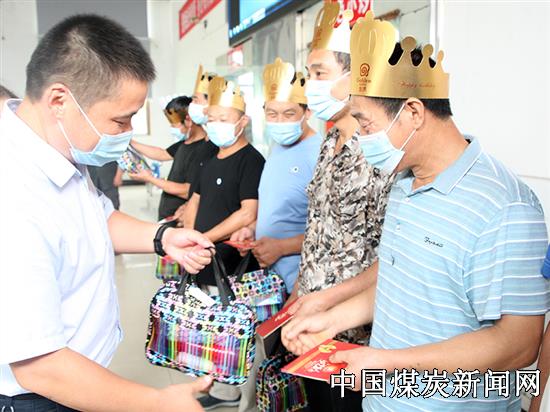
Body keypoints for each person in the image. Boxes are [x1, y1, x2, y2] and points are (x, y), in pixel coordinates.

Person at [283, 11, 549, 411]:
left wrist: (387, 364)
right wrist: (333, 319)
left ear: (412, 112)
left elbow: (518, 344)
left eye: (366, 124)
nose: (363, 139)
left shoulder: (505, 207)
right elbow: (400, 281)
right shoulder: (406, 181)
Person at [0, 14, 214, 412]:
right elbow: (39, 366)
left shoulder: (55, 146)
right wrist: (156, 403)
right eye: (120, 120)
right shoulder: (13, 198)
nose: (128, 132)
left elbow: (97, 218)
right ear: (60, 101)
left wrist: (161, 237)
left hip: (82, 375)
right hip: (42, 395)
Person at [282, 4, 393, 411]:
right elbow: (319, 230)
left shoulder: (381, 152)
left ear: (353, 76)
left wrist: (331, 301)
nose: (308, 86)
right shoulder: (329, 142)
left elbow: (392, 255)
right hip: (311, 323)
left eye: (319, 73)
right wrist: (298, 295)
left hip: (357, 334)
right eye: (308, 74)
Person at [226, 58, 322, 412]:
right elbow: (278, 205)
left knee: (301, 371)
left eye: (289, 113)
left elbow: (331, 232)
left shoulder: (319, 153)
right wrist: (252, 228)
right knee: (272, 365)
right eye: (272, 113)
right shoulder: (278, 148)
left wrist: (282, 246)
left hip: (301, 281)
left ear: (306, 112)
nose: (280, 122)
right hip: (271, 279)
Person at [183, 76, 265, 410]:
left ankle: (242, 395)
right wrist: (189, 239)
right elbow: (194, 202)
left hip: (232, 266)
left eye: (224, 119)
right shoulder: (208, 159)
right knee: (209, 331)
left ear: (242, 122)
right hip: (201, 260)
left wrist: (204, 239)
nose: (216, 125)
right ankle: (220, 390)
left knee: (235, 332)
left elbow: (247, 213)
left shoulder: (251, 160)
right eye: (212, 118)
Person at [130, 87, 217, 220]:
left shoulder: (203, 149)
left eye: (174, 124)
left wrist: (150, 179)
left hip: (180, 218)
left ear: (188, 120)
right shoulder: (184, 143)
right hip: (167, 215)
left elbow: (186, 190)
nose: (172, 128)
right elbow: (161, 154)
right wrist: (130, 142)